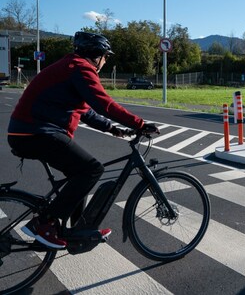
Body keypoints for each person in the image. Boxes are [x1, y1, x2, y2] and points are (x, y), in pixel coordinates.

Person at [7, 31, 159, 249]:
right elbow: (103, 103)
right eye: (105, 56)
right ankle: (44, 224)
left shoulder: (70, 66)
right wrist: (140, 124)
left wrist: (113, 129)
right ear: (96, 55)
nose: (105, 61)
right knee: (92, 169)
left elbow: (85, 111)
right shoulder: (80, 67)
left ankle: (78, 229)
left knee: (79, 175)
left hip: (29, 132)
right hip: (37, 132)